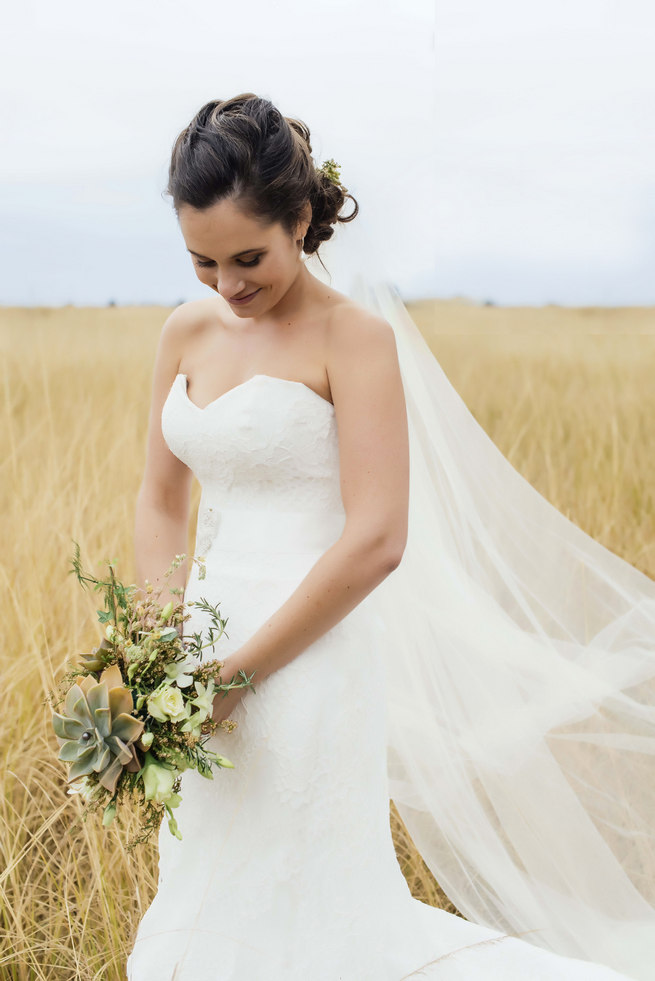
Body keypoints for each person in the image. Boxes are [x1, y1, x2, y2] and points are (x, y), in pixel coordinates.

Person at [126, 94, 655, 980]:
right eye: (203, 261)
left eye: (248, 257)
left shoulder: (355, 340)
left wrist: (238, 675)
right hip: (197, 652)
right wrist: (159, 641)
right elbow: (159, 494)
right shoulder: (185, 330)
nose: (228, 286)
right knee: (207, 876)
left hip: (308, 657)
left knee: (302, 901)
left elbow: (377, 538)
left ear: (300, 220)